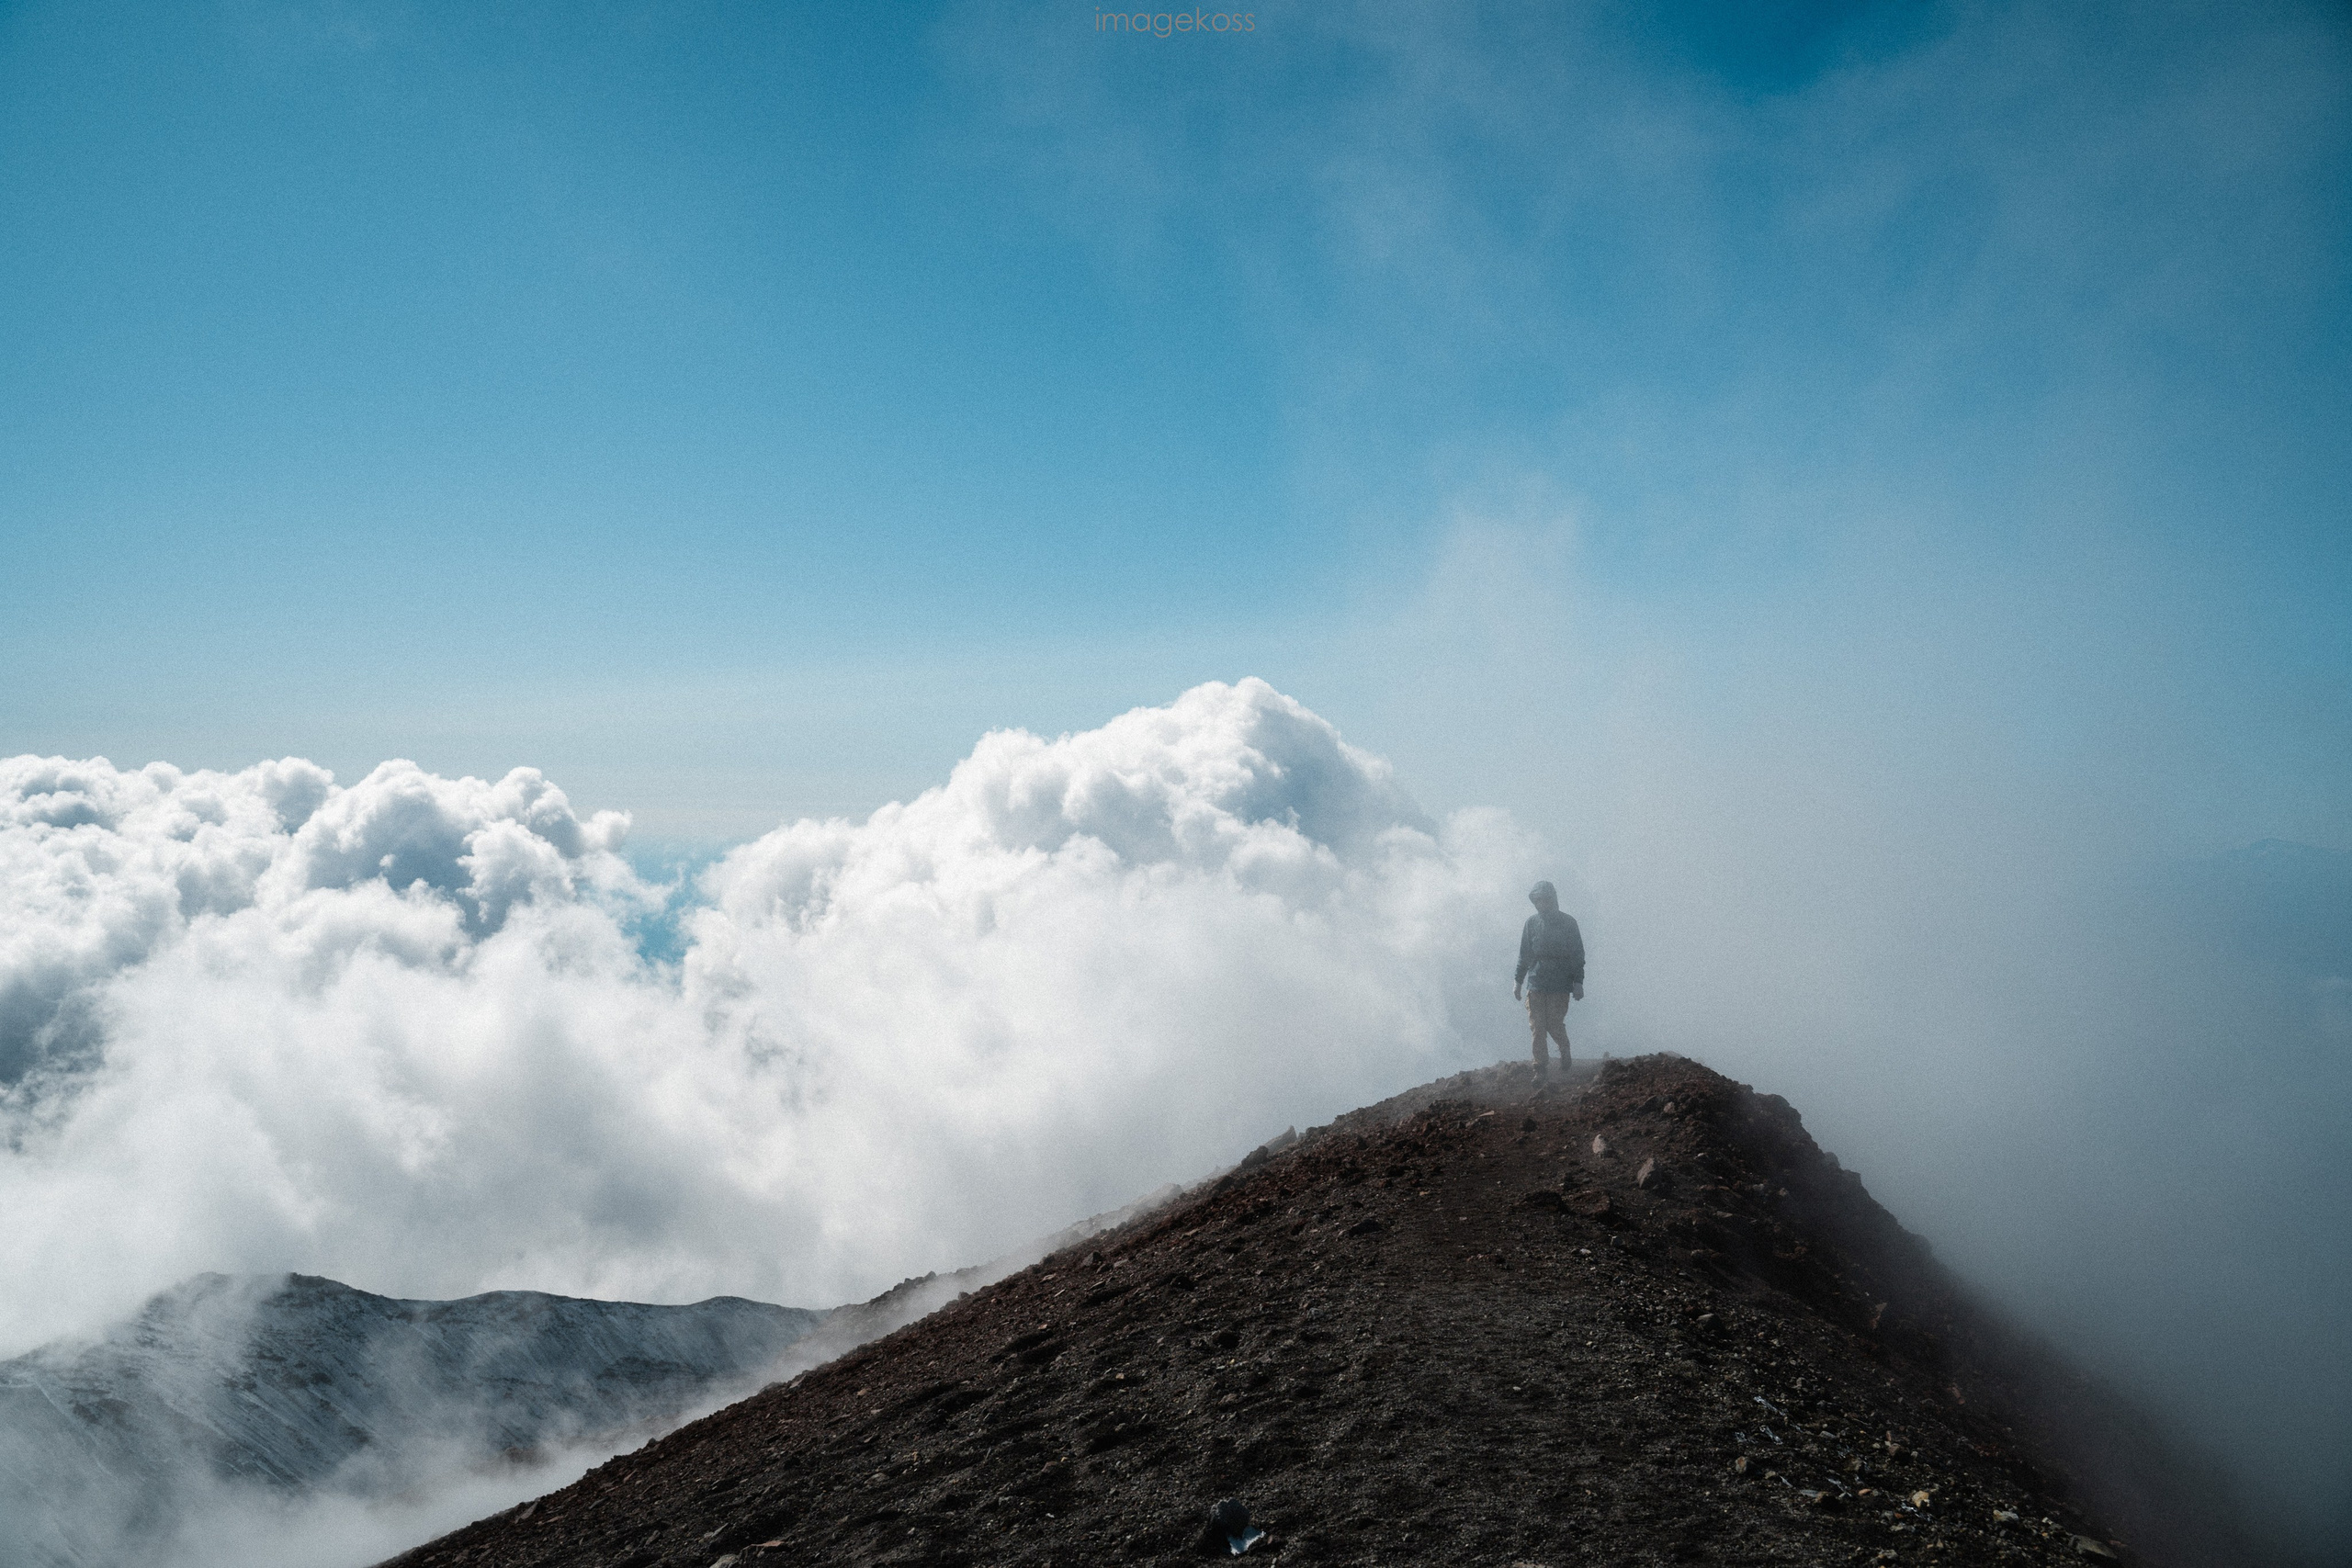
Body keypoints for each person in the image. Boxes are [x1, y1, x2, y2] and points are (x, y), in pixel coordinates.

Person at [1513, 881, 1584, 1081]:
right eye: (1536, 900)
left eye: (1543, 899)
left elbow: (1577, 954)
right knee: (1537, 1026)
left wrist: (1578, 981)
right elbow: (1525, 954)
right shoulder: (1532, 923)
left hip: (1560, 983)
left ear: (1552, 899)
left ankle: (1564, 1047)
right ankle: (1540, 1068)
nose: (1539, 904)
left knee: (1553, 1023)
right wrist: (1518, 981)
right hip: (1536, 981)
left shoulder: (1569, 923)